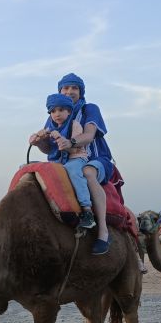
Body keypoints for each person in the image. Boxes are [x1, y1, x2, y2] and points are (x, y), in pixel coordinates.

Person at [50, 73, 115, 255]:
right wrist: (38, 141)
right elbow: (49, 149)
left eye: (74, 88)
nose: (70, 91)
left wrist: (70, 142)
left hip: (95, 157)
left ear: (81, 91)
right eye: (66, 88)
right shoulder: (56, 112)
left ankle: (102, 231)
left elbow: (89, 135)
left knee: (87, 172)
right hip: (66, 159)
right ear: (60, 90)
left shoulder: (89, 109)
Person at [29, 93, 97, 231]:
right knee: (29, 168)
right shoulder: (49, 128)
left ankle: (87, 210)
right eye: (53, 111)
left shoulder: (75, 125)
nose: (57, 114)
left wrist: (60, 138)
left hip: (76, 157)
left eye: (61, 110)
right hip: (58, 161)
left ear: (69, 111)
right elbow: (49, 150)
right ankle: (14, 203)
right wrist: (37, 141)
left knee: (73, 172)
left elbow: (74, 149)